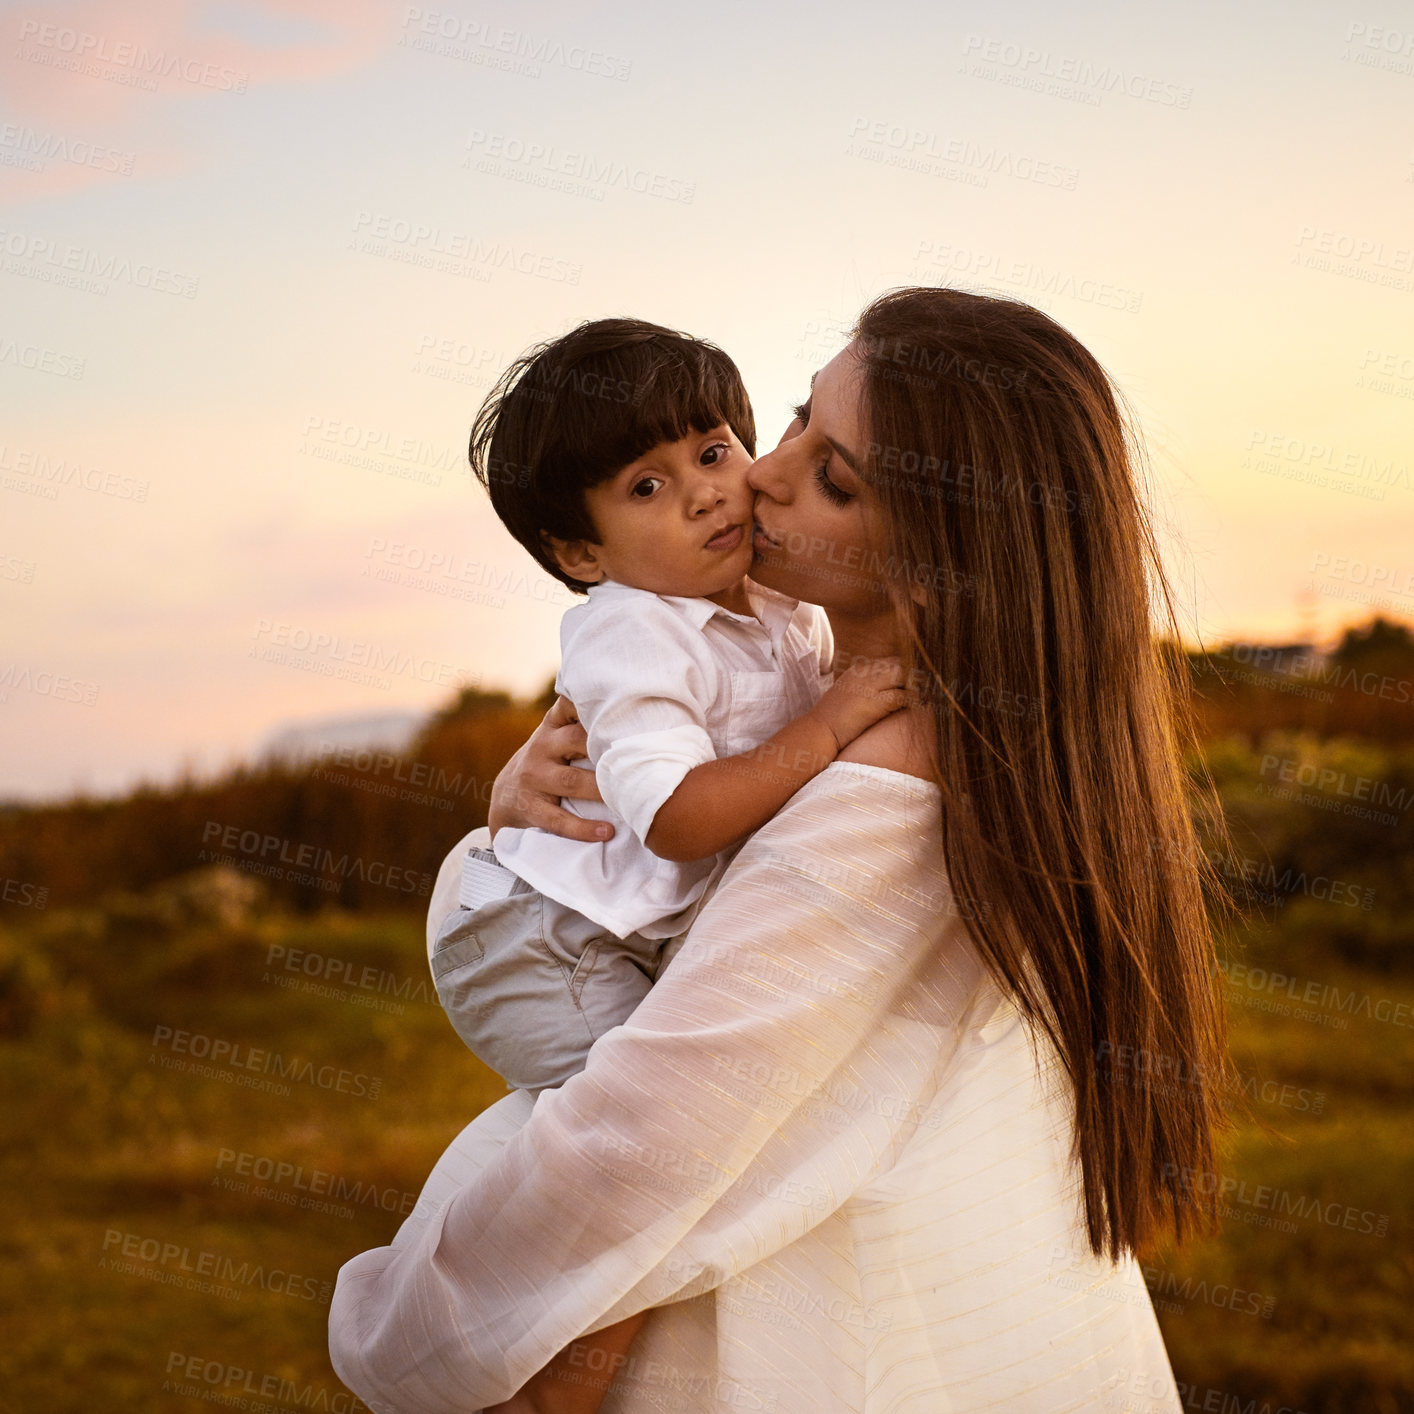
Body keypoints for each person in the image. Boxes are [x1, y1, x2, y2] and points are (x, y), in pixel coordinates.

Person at [328, 287, 1232, 1414]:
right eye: (796, 420)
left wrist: (395, 1332)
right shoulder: (981, 728)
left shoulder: (882, 783)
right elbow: (662, 760)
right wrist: (528, 792)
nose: (755, 474)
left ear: (951, 549)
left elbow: (644, 1131)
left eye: (833, 476)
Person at [433, 317, 906, 1101]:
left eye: (713, 453)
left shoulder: (774, 596)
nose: (705, 495)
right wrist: (826, 725)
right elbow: (678, 819)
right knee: (648, 1113)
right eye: (647, 488)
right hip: (551, 946)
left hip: (622, 933)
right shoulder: (632, 632)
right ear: (583, 556)